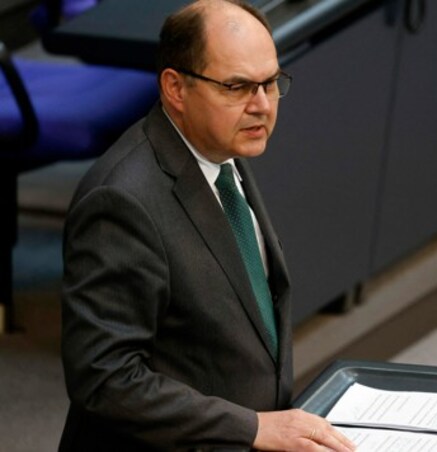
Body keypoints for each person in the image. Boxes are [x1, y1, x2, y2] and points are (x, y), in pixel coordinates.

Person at [58, 1, 356, 450]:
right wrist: (253, 428)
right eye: (237, 86)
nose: (261, 106)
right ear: (176, 88)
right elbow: (105, 378)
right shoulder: (120, 202)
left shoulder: (221, 149)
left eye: (270, 83)